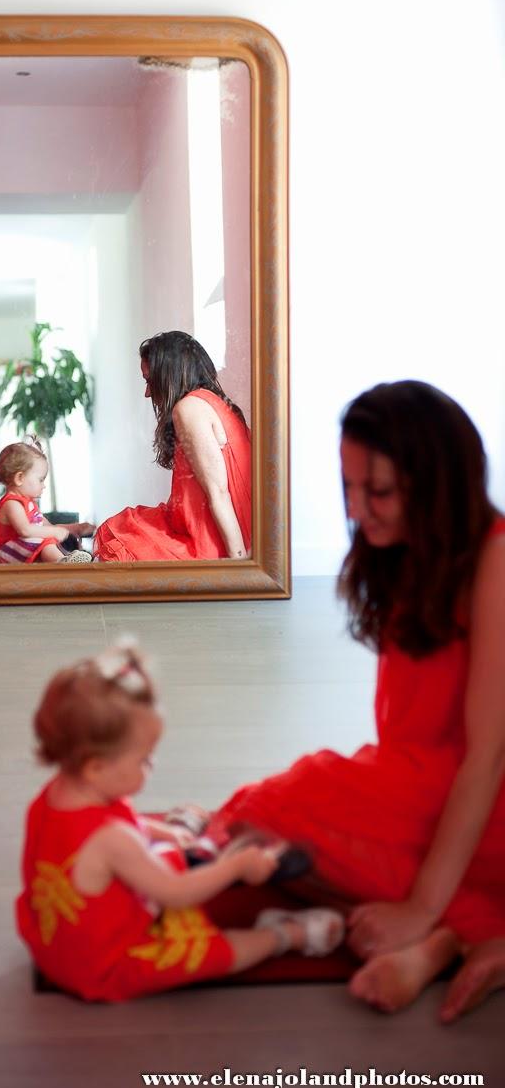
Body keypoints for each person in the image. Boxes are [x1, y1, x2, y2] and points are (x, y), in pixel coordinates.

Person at [202, 380, 505, 1017]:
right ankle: (453, 938)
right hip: (418, 781)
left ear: (435, 482)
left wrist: (420, 902)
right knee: (249, 836)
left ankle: (440, 927)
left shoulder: (495, 559)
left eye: (380, 491)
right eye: (349, 488)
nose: (359, 508)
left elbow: (488, 759)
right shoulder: (404, 556)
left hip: (480, 796)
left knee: (259, 832)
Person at [15, 641, 343, 1002]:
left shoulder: (54, 796)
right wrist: (234, 869)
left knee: (164, 848)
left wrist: (163, 831)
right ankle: (284, 935)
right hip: (105, 964)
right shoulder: (113, 841)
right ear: (95, 767)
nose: (150, 766)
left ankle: (188, 840)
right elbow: (174, 892)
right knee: (212, 952)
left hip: (54, 945)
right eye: (143, 759)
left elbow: (116, 823)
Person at [94, 331, 251, 562]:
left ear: (168, 375)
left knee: (117, 535)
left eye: (149, 381)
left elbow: (218, 492)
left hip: (210, 541)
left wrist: (240, 563)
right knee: (126, 525)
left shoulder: (190, 408)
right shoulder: (214, 402)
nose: (147, 393)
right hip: (208, 528)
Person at [0, 439, 94, 564]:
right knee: (46, 539)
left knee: (49, 537)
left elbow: (47, 526)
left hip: (21, 550)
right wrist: (54, 532)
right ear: (20, 478)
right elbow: (25, 530)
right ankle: (61, 562)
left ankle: (67, 559)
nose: (43, 485)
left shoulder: (29, 504)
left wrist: (74, 529)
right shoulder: (12, 504)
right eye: (40, 480)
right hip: (5, 554)